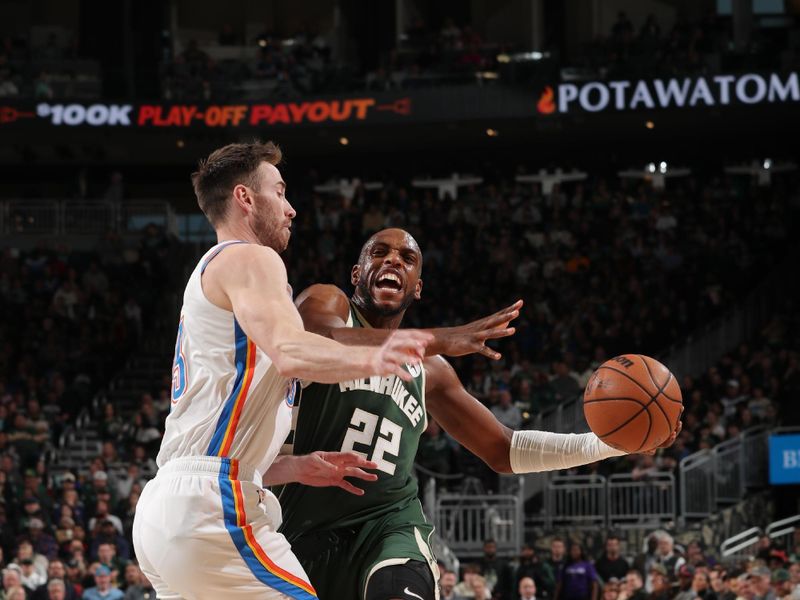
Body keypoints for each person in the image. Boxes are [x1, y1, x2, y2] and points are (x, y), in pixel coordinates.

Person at [276, 228, 681, 599]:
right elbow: (316, 340)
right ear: (356, 273)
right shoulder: (328, 302)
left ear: (417, 288)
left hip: (388, 525)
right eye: (378, 253)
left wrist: (609, 445)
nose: (392, 260)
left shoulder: (430, 370)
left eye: (407, 258)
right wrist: (438, 338)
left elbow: (504, 449)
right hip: (301, 527)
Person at [131, 143, 434, 600]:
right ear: (245, 198)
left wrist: (296, 466)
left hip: (170, 509)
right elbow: (293, 352)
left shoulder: (223, 278)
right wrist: (383, 354)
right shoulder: (251, 258)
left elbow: (223, 437)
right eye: (280, 192)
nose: (291, 209)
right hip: (213, 505)